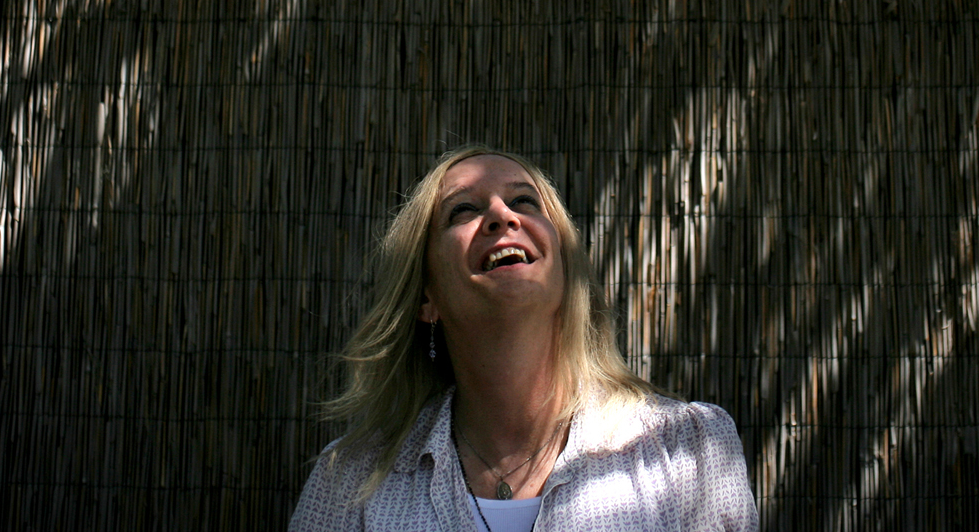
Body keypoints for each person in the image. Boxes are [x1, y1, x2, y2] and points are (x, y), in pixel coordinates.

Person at [290, 145, 758, 531]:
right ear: (426, 296)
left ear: (564, 265)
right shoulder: (352, 483)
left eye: (524, 202)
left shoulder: (688, 451)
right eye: (464, 210)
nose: (501, 215)